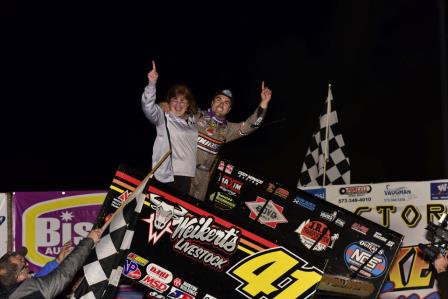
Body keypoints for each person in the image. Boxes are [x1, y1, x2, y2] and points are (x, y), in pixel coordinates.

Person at [189, 82, 272, 201]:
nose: (221, 103)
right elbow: (175, 111)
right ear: (212, 102)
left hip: (203, 177)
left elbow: (251, 126)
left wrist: (264, 103)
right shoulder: (196, 115)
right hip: (184, 169)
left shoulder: (228, 129)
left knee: (192, 212)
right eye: (218, 100)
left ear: (229, 109)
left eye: (226, 102)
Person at [142, 61, 199, 194]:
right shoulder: (164, 117)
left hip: (187, 177)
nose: (178, 105)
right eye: (175, 100)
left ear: (188, 104)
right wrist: (152, 84)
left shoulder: (193, 122)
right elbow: (148, 108)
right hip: (167, 175)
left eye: (183, 100)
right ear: (169, 101)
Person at [0, 229, 102, 299]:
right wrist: (89, 241)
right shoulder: (28, 292)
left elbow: (39, 279)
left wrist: (57, 261)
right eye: (24, 265)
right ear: (19, 276)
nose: (28, 266)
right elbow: (62, 275)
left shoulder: (10, 288)